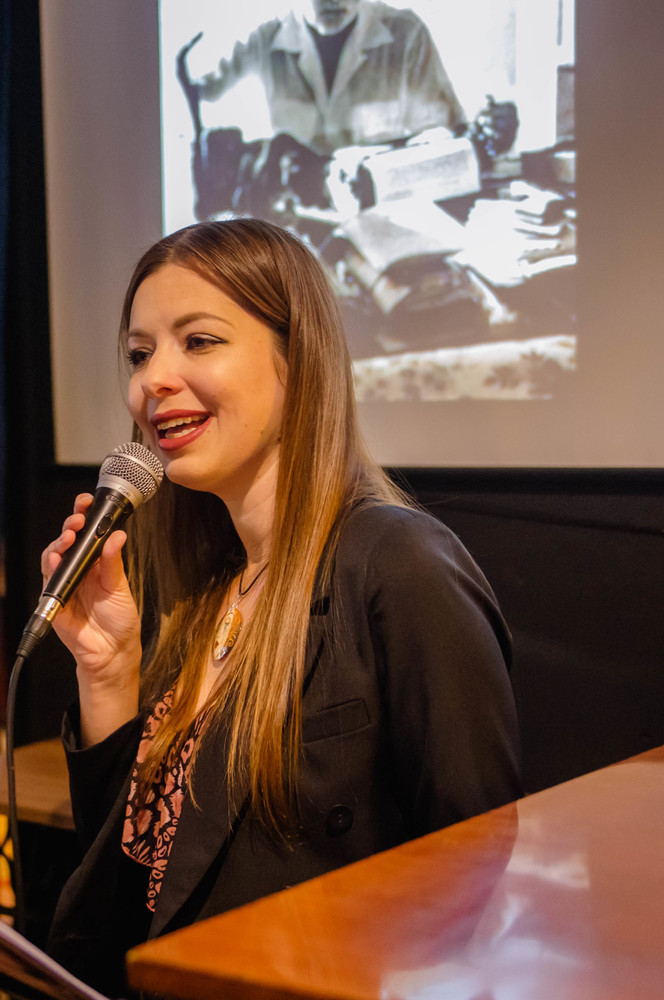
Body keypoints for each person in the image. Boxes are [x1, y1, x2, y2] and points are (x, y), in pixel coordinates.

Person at [41, 219, 520, 995]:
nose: (154, 380)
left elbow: (474, 875)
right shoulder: (205, 591)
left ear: (297, 361)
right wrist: (107, 673)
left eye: (198, 341)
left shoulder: (400, 566)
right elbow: (132, 881)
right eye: (139, 353)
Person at [183, 0, 465, 157]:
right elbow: (193, 91)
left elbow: (445, 136)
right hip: (292, 226)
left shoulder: (407, 33)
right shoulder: (261, 38)